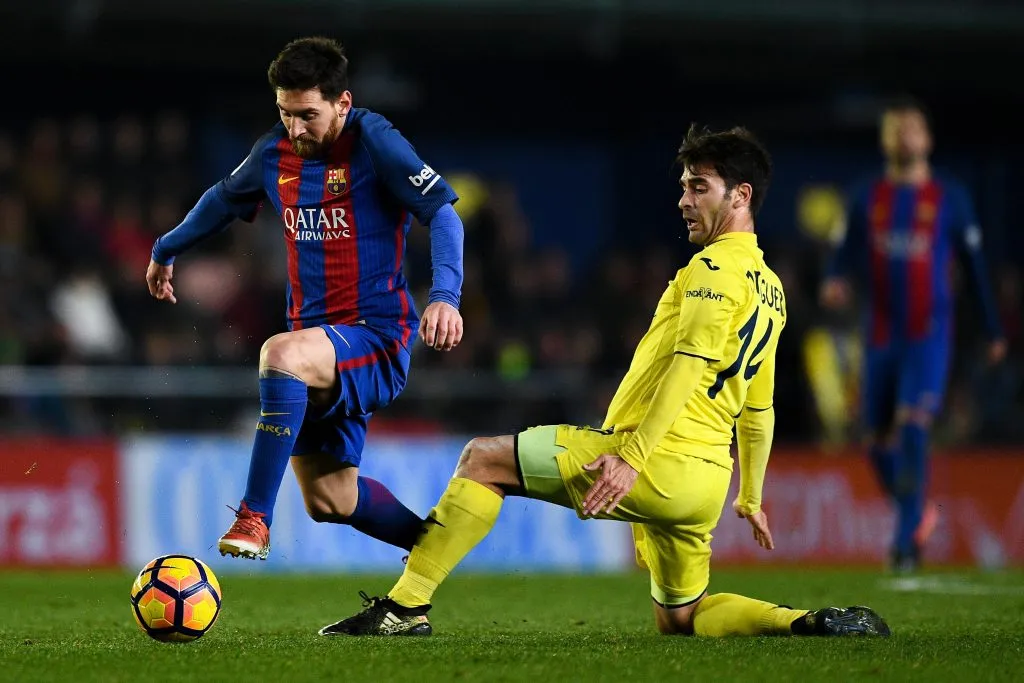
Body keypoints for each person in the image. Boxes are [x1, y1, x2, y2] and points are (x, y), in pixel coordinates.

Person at [320, 125, 890, 638]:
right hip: (706, 485)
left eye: (700, 188)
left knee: (482, 459)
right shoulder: (771, 287)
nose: (683, 200)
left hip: (656, 459)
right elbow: (758, 407)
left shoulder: (713, 271)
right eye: (685, 187)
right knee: (682, 619)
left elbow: (688, 367)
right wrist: (752, 494)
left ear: (740, 196)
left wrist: (633, 457)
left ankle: (405, 607)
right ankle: (805, 621)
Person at [146, 36, 465, 560]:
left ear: (343, 102)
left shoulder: (373, 140)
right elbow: (222, 200)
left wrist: (446, 296)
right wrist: (165, 249)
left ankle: (254, 519)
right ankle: (436, 548)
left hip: (376, 337)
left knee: (281, 354)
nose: (296, 128)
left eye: (308, 115)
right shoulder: (274, 151)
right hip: (320, 349)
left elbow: (443, 212)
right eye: (285, 113)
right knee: (330, 499)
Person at [820, 97, 1006, 572]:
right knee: (874, 442)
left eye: (912, 128)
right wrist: (836, 280)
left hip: (929, 334)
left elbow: (974, 266)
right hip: (880, 335)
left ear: (927, 138)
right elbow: (841, 254)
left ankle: (904, 546)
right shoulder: (866, 197)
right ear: (885, 139)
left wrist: (991, 327)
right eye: (895, 128)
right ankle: (916, 513)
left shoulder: (950, 198)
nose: (904, 136)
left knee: (913, 425)